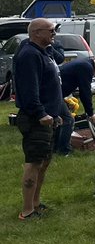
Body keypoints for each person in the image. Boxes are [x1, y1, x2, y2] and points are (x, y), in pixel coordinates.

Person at [13, 18, 64, 220]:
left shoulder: (44, 52)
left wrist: (55, 113)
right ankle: (26, 211)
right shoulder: (29, 55)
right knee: (33, 163)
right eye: (50, 31)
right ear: (36, 33)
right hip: (36, 119)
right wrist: (41, 113)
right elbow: (28, 90)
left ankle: (35, 203)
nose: (54, 34)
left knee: (44, 162)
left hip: (49, 117)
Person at [55, 56, 95, 156]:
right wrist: (90, 113)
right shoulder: (87, 68)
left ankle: (56, 146)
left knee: (60, 119)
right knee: (68, 120)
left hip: (56, 92)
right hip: (54, 94)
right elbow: (85, 92)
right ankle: (63, 150)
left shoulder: (84, 62)